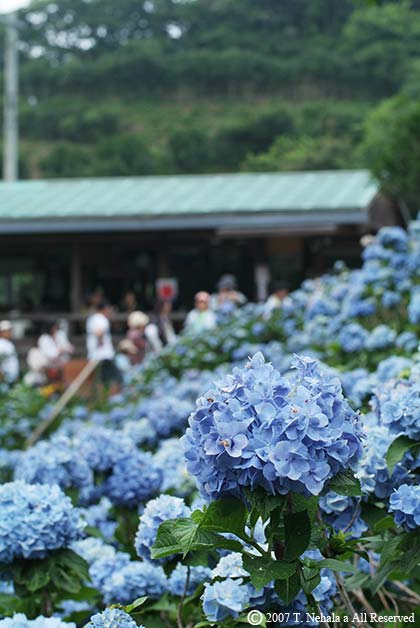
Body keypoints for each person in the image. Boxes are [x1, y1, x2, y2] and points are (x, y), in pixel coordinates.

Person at [86, 302, 122, 393]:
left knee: (101, 379)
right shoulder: (102, 319)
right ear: (105, 309)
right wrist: (100, 342)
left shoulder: (92, 318)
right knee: (117, 378)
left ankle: (102, 397)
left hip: (94, 354)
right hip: (104, 354)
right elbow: (99, 332)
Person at [0, 321, 19, 386]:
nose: (10, 333)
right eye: (8, 331)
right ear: (2, 332)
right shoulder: (1, 344)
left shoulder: (10, 344)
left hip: (12, 379)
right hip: (3, 379)